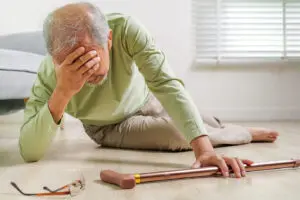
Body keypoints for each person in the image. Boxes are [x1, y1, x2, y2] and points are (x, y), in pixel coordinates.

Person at [19, 2, 279, 179]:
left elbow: (166, 84)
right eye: (72, 65)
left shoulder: (125, 29)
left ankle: (219, 130)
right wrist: (63, 91)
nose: (84, 76)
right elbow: (29, 151)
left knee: (198, 120)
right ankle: (239, 133)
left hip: (147, 99)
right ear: (53, 57)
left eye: (92, 66)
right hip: (109, 126)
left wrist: (204, 150)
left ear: (108, 40)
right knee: (178, 132)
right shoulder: (48, 72)